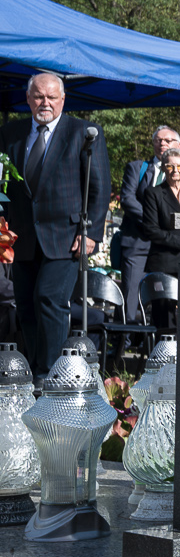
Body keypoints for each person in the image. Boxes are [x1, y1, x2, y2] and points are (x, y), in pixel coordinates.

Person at [2, 73, 110, 376]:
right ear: (28, 99)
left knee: (49, 298)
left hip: (66, 237)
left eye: (51, 97)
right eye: (39, 96)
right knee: (25, 304)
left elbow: (99, 187)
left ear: (63, 99)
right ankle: (34, 371)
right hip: (21, 236)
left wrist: (91, 233)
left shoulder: (84, 133)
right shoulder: (10, 134)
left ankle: (51, 374)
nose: (45, 103)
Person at [117, 125, 180, 320]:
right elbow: (127, 199)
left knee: (165, 301)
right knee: (130, 297)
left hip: (168, 249)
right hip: (138, 242)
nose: (162, 143)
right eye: (158, 140)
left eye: (168, 140)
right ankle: (125, 335)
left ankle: (161, 336)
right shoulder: (137, 168)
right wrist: (153, 221)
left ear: (178, 145)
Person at [135, 146, 180, 326]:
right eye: (170, 166)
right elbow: (151, 230)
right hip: (164, 264)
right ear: (163, 168)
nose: (175, 170)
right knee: (164, 321)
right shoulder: (153, 194)